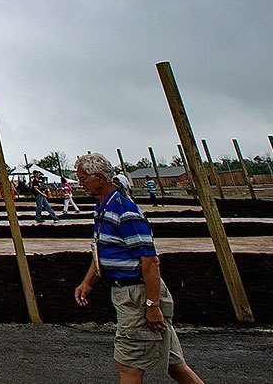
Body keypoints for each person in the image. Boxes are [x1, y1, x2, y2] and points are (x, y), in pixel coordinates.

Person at [73, 153, 204, 383]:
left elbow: (149, 260)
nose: (80, 184)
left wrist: (152, 305)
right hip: (130, 294)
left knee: (128, 365)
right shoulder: (103, 208)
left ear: (101, 178)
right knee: (174, 364)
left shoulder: (126, 212)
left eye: (83, 179)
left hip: (137, 295)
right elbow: (102, 250)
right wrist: (88, 282)